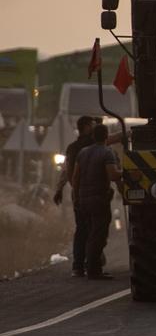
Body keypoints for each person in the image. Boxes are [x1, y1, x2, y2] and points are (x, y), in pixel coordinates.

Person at [71, 124, 124, 280]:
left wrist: (76, 198)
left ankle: (85, 266)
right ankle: (94, 270)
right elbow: (113, 175)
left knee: (88, 232)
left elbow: (75, 177)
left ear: (93, 136)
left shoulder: (83, 152)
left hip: (83, 198)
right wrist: (127, 171)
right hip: (99, 199)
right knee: (98, 235)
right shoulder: (107, 152)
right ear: (106, 136)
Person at [52, 116, 98, 277]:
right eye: (93, 125)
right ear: (86, 127)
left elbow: (65, 170)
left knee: (81, 228)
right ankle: (92, 264)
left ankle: (78, 266)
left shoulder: (72, 147)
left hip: (76, 193)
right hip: (92, 193)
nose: (95, 127)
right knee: (94, 228)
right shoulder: (93, 145)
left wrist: (59, 189)